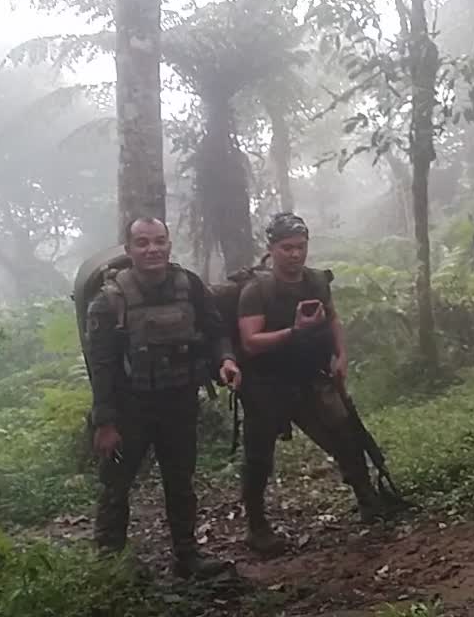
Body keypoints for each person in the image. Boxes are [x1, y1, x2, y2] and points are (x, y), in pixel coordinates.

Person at [85, 217, 240, 578]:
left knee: (180, 482)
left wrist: (226, 360)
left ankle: (187, 558)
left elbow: (216, 330)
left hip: (179, 403)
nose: (152, 249)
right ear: (129, 250)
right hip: (129, 408)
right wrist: (105, 422)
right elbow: (102, 367)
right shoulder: (109, 301)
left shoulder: (190, 286)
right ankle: (109, 566)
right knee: (115, 486)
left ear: (170, 244)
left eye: (159, 241)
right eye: (142, 243)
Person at [236, 212, 389, 557]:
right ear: (272, 249)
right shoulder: (256, 290)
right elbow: (250, 341)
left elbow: (332, 319)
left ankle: (369, 500)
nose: (295, 254)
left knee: (344, 435)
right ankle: (257, 526)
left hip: (309, 376)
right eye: (287, 247)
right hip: (266, 383)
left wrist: (341, 355)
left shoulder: (316, 281)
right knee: (259, 456)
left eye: (301, 247)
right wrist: (294, 333)